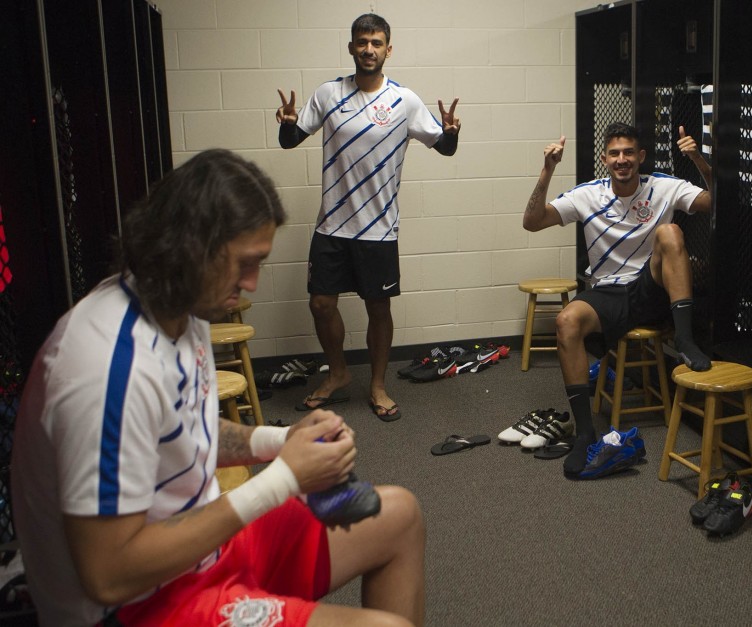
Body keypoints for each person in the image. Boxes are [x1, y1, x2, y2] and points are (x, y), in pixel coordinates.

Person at [11, 149, 425, 626]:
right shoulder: (107, 368)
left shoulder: (178, 308)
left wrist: (279, 441)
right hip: (137, 605)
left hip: (202, 552)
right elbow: (110, 574)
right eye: (244, 264)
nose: (251, 284)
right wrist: (284, 479)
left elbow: (187, 427)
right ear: (188, 249)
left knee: (400, 515)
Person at [276, 13, 460, 421]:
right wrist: (287, 125)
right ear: (351, 47)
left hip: (379, 228)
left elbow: (444, 148)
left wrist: (451, 132)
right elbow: (291, 140)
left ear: (388, 49)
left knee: (379, 308)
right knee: (321, 304)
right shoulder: (328, 94)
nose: (369, 49)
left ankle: (377, 385)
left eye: (377, 43)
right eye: (362, 42)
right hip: (332, 225)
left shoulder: (404, 101)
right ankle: (338, 373)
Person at [522, 122, 713, 478]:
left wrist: (699, 160)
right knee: (566, 321)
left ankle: (685, 339)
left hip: (651, 286)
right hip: (607, 290)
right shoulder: (588, 194)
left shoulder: (663, 186)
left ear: (640, 157)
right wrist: (547, 171)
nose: (621, 160)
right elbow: (532, 222)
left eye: (628, 153)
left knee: (670, 231)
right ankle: (585, 434)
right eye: (614, 154)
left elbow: (717, 202)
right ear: (604, 159)